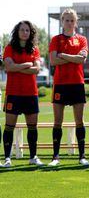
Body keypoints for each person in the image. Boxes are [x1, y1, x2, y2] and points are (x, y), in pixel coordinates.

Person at [48, 8, 89, 166]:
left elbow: (81, 60)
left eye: (72, 20)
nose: (70, 23)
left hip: (77, 84)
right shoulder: (56, 39)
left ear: (76, 22)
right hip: (60, 84)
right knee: (58, 121)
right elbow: (53, 61)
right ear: (62, 21)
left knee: (79, 121)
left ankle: (82, 156)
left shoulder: (82, 39)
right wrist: (73, 58)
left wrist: (63, 55)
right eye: (67, 20)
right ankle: (55, 157)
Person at [2, 21, 44, 167]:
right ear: (17, 31)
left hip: (30, 93)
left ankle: (33, 157)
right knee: (9, 126)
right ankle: (7, 158)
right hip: (13, 93)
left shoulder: (34, 49)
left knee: (32, 126)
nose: (25, 32)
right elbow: (8, 66)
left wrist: (16, 67)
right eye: (22, 30)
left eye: (27, 30)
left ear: (30, 32)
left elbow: (36, 70)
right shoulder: (9, 48)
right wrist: (26, 65)